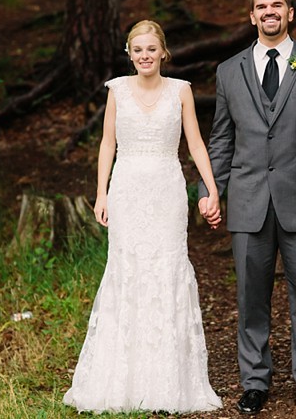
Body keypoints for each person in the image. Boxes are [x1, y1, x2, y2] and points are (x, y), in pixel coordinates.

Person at [198, 0, 296, 417]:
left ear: (290, 13)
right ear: (251, 16)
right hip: (248, 203)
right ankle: (255, 382)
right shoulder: (229, 71)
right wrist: (212, 191)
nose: (269, 12)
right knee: (250, 299)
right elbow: (221, 139)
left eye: (276, 5)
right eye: (261, 7)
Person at [63, 20, 223, 414]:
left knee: (166, 269)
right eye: (138, 50)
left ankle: (167, 381)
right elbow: (107, 144)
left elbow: (196, 143)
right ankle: (123, 379)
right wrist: (101, 194)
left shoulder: (181, 91)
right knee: (128, 269)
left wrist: (212, 187)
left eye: (151, 49)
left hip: (167, 189)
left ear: (163, 52)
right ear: (130, 54)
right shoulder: (117, 90)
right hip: (127, 190)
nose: (145, 55)